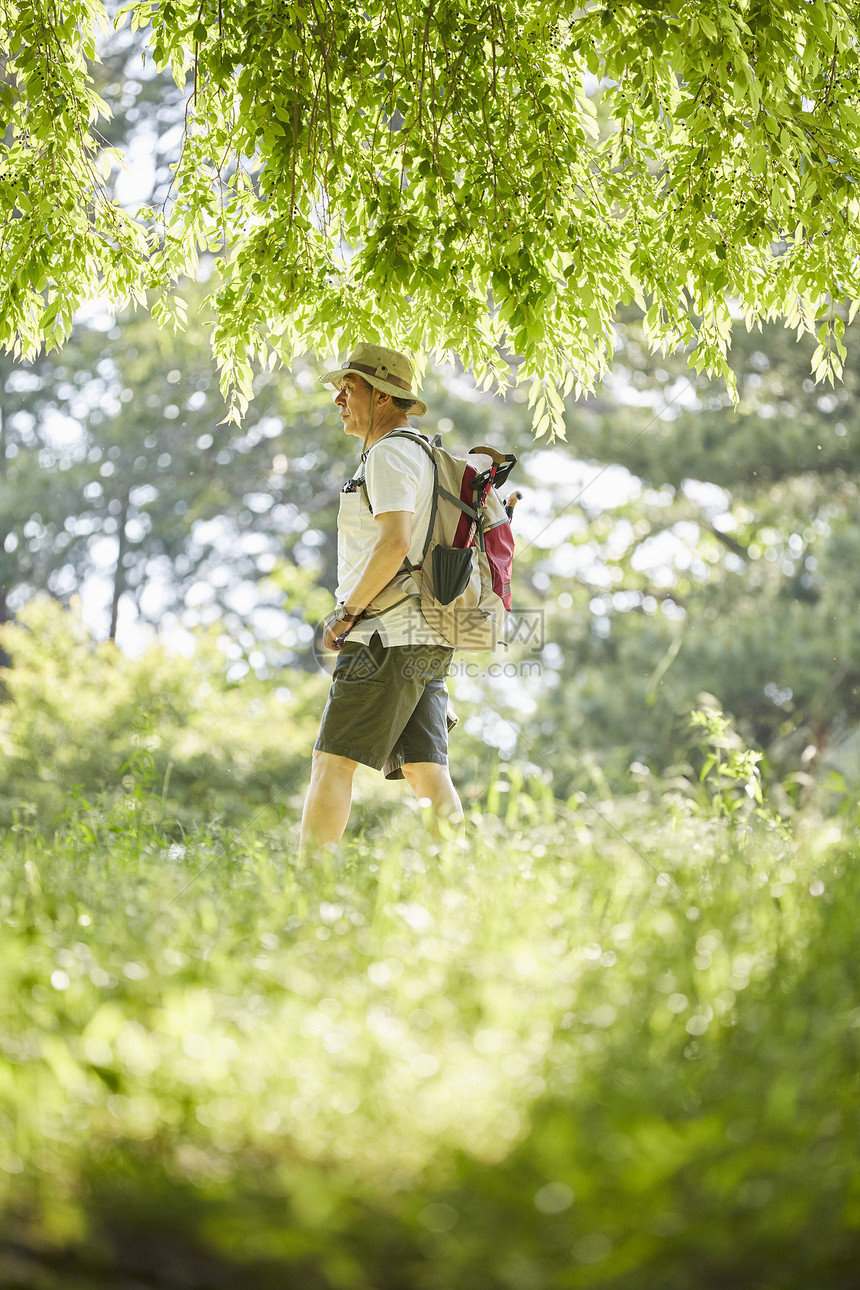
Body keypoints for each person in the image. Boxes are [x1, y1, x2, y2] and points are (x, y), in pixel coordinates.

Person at [299, 343, 464, 856]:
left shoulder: (390, 453)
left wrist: (347, 613)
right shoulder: (422, 455)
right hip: (428, 633)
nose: (338, 401)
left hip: (384, 635)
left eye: (348, 389)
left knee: (332, 761)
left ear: (383, 396)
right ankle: (462, 878)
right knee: (425, 768)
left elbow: (394, 543)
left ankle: (309, 880)